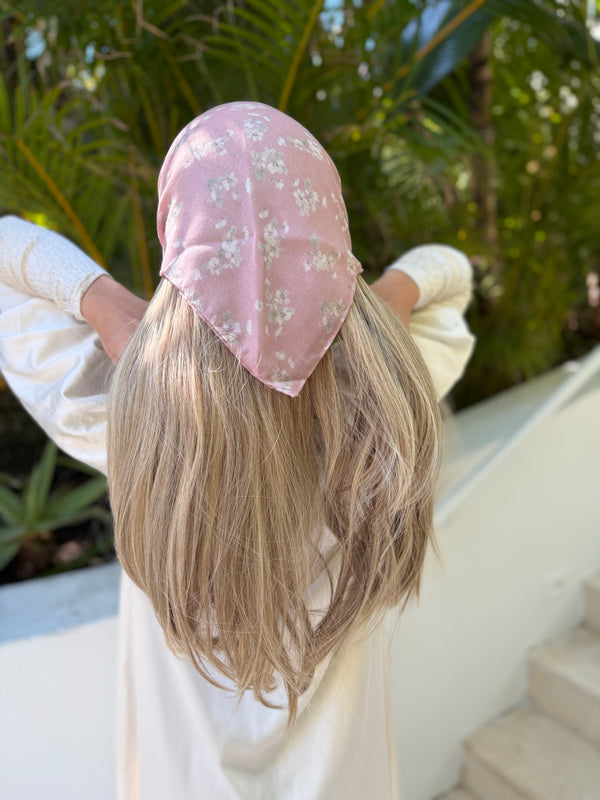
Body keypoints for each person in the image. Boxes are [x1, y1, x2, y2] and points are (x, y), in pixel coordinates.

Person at [0, 101, 475, 800]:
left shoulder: (128, 417)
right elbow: (452, 268)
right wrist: (390, 299)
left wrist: (103, 305)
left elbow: (8, 248)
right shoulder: (379, 412)